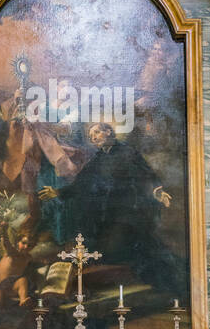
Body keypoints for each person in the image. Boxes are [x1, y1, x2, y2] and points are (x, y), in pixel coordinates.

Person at [38, 123, 181, 296]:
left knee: (138, 251)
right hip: (108, 215)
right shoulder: (98, 158)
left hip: (128, 213)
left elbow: (146, 174)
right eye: (91, 136)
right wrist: (59, 192)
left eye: (97, 132)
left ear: (109, 132)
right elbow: (82, 182)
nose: (94, 137)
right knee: (107, 251)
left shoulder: (127, 152)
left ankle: (170, 285)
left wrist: (157, 191)